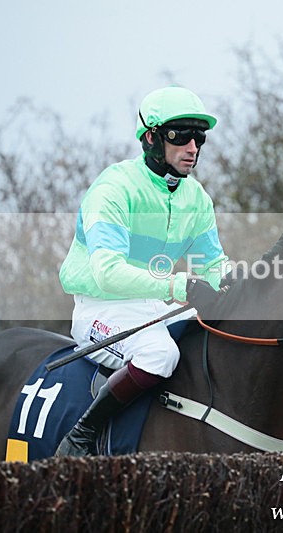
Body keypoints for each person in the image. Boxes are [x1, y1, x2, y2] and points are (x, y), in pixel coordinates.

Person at [55, 86, 228, 456]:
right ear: (151, 137)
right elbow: (108, 273)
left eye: (199, 137)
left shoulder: (195, 198)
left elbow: (214, 265)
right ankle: (81, 436)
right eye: (180, 136)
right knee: (159, 356)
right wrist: (181, 285)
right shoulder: (114, 188)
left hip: (156, 304)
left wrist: (247, 283)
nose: (193, 147)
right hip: (101, 306)